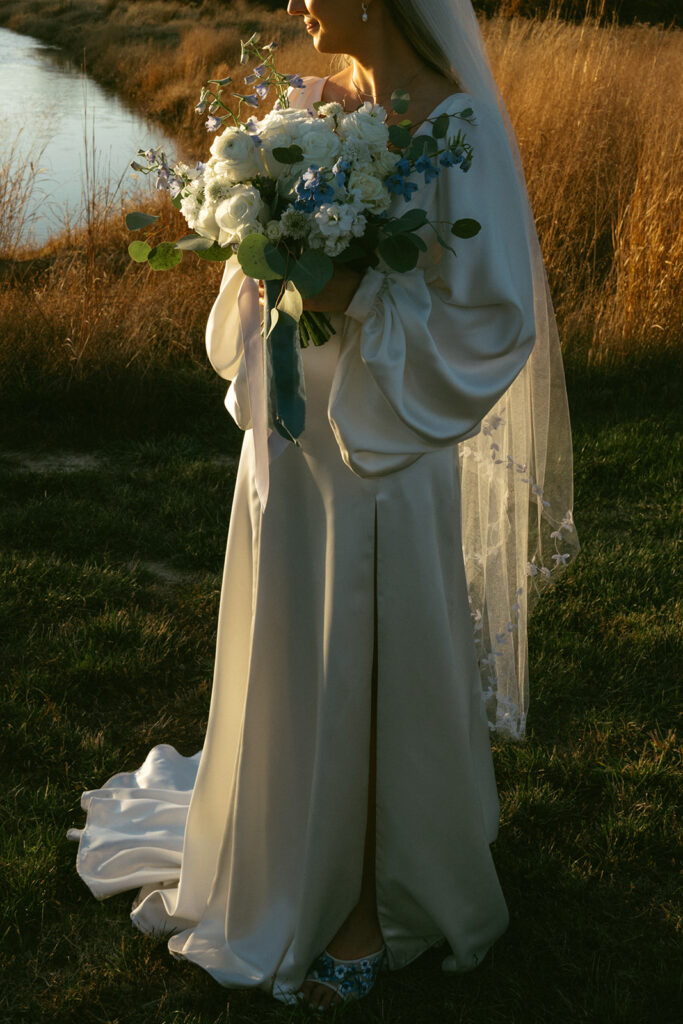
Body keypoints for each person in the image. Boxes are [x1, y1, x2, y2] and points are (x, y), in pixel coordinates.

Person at [66, 0, 578, 1012]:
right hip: (293, 433)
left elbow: (490, 316)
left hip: (386, 440)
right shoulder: (312, 103)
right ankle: (277, 840)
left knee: (372, 656)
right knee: (297, 636)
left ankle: (365, 906)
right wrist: (254, 240)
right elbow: (266, 261)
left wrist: (352, 290)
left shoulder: (455, 125)